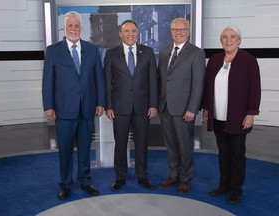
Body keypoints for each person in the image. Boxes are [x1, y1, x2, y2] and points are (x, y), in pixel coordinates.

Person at [42, 11, 105, 200]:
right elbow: (48, 82)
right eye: (70, 25)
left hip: (87, 108)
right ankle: (66, 184)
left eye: (77, 26)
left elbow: (99, 79)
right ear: (64, 27)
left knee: (85, 149)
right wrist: (48, 105)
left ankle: (85, 180)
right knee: (66, 150)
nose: (74, 29)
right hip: (63, 109)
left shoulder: (92, 50)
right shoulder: (53, 51)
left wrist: (101, 102)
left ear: (82, 28)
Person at [201, 26, 261, 204]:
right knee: (223, 152)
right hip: (218, 116)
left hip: (238, 117)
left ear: (239, 40)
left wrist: (251, 113)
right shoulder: (214, 60)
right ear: (221, 41)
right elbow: (207, 88)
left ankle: (236, 189)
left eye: (232, 37)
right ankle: (223, 185)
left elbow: (255, 90)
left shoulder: (248, 60)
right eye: (224, 37)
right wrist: (206, 109)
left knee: (237, 154)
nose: (228, 40)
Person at [104, 20, 158, 191]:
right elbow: (107, 82)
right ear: (120, 33)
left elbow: (153, 81)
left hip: (143, 107)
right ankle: (120, 177)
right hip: (119, 107)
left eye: (133, 31)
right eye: (126, 31)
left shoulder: (148, 52)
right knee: (120, 143)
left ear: (137, 32)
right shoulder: (111, 54)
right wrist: (109, 106)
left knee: (142, 143)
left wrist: (153, 104)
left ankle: (142, 176)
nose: (130, 34)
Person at [157, 18, 206, 194]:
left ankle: (186, 178)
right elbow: (162, 80)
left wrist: (192, 108)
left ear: (188, 31)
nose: (178, 32)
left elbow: (198, 83)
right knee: (171, 145)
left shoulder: (196, 53)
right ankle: (173, 175)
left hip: (184, 109)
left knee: (185, 145)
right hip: (165, 108)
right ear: (170, 31)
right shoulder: (164, 52)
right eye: (175, 29)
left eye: (182, 29)